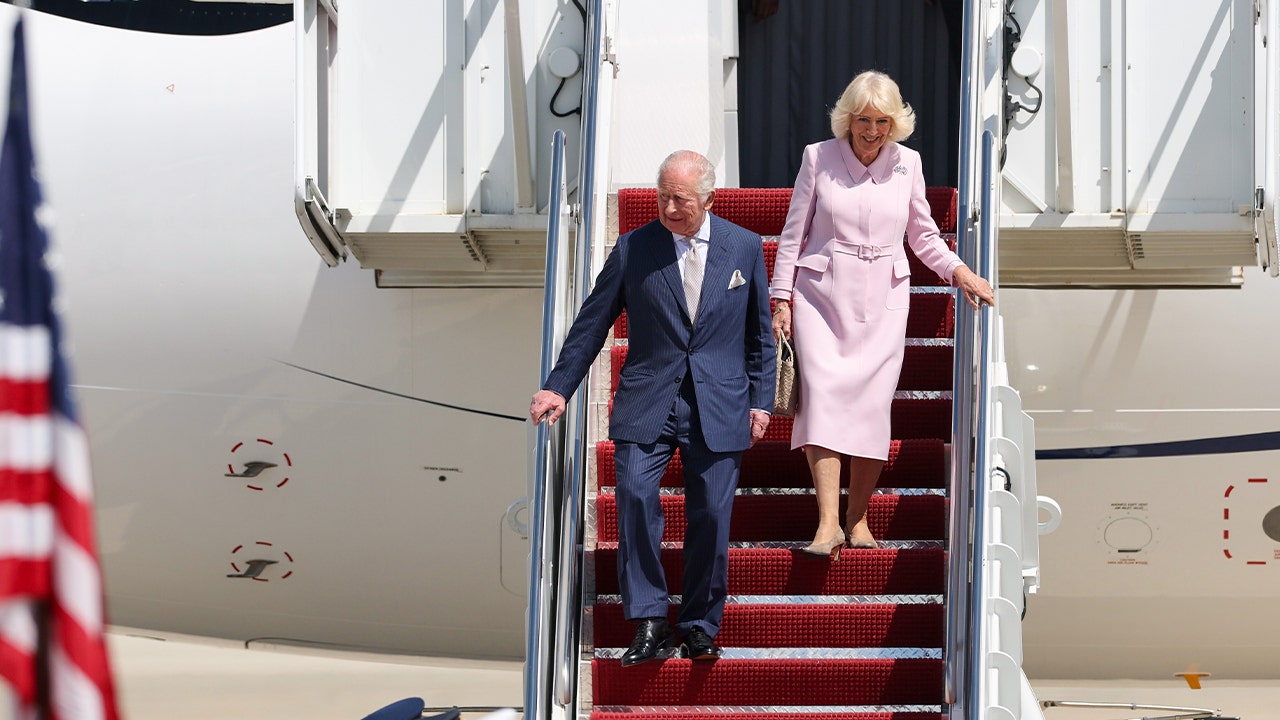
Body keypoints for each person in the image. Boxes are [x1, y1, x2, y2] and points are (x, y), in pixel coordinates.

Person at [530, 151, 776, 666]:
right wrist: (559, 387)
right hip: (649, 400)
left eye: (680, 199)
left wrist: (761, 401)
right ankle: (649, 620)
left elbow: (759, 335)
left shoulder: (744, 246)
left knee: (712, 515)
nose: (668, 208)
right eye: (662, 196)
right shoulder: (633, 248)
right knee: (636, 499)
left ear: (709, 198)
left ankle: (699, 624)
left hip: (720, 401)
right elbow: (592, 323)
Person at [770, 70, 994, 555]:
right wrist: (781, 298)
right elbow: (793, 233)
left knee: (872, 407)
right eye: (863, 120)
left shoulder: (907, 163)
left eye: (882, 122)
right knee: (822, 401)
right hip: (821, 298)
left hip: (883, 301)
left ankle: (858, 519)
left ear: (895, 124)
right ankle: (827, 524)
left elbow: (923, 235)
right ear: (848, 119)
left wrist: (960, 272)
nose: (872, 131)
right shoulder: (818, 157)